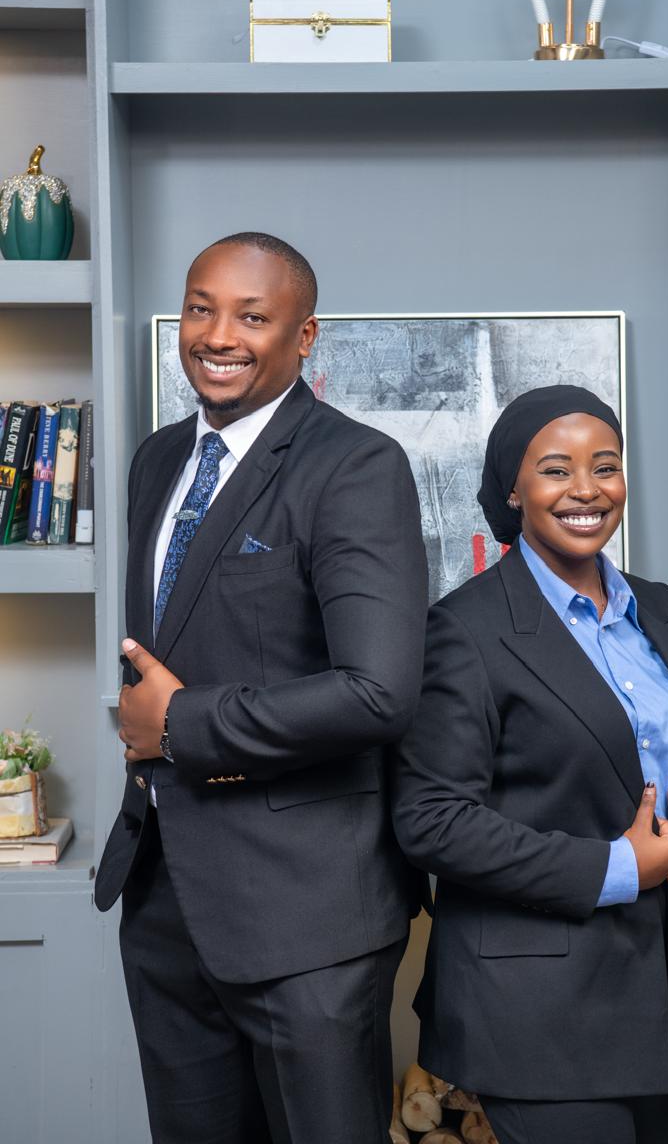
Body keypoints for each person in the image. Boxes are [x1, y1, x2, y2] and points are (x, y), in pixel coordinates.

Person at [94, 232, 428, 1144]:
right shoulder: (158, 459)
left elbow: (379, 691)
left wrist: (181, 724)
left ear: (304, 335)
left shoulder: (355, 466)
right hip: (164, 897)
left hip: (305, 916)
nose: (218, 335)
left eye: (252, 316)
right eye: (200, 309)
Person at [392, 385, 668, 1144]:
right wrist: (619, 866)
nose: (586, 489)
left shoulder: (658, 606)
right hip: (538, 1010)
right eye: (556, 470)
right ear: (512, 489)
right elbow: (432, 820)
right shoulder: (463, 629)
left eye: (605, 467)